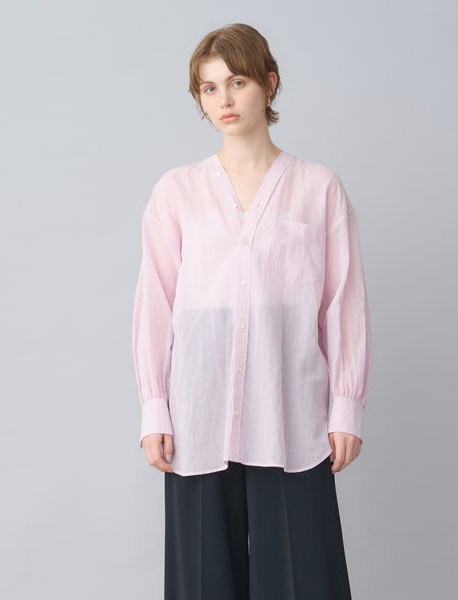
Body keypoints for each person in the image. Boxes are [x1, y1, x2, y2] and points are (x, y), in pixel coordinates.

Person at [132, 22, 372, 600]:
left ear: (269, 83)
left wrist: (346, 406)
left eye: (237, 82)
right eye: (209, 88)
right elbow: (155, 305)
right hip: (198, 415)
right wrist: (155, 408)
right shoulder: (176, 192)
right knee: (203, 582)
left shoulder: (318, 188)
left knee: (303, 579)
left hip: (289, 414)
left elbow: (342, 302)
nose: (224, 99)